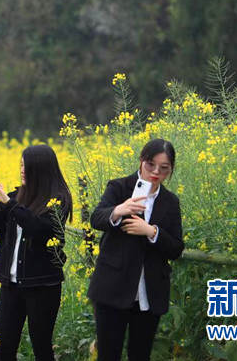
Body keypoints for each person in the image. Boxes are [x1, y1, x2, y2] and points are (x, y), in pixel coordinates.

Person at [87, 139, 184, 361]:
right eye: (150, 164)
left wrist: (151, 232)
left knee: (140, 355)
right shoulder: (119, 187)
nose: (155, 172)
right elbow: (96, 218)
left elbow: (176, 248)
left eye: (164, 168)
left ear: (171, 170)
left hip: (149, 292)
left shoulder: (170, 201)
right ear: (141, 161)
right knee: (108, 355)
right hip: (112, 288)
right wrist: (119, 210)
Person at [0, 144, 74, 361]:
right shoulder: (17, 195)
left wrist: (9, 203)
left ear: (40, 169)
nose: (21, 170)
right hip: (11, 285)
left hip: (42, 286)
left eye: (25, 165)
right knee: (5, 347)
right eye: (20, 164)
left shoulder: (58, 200)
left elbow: (41, 229)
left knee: (41, 346)